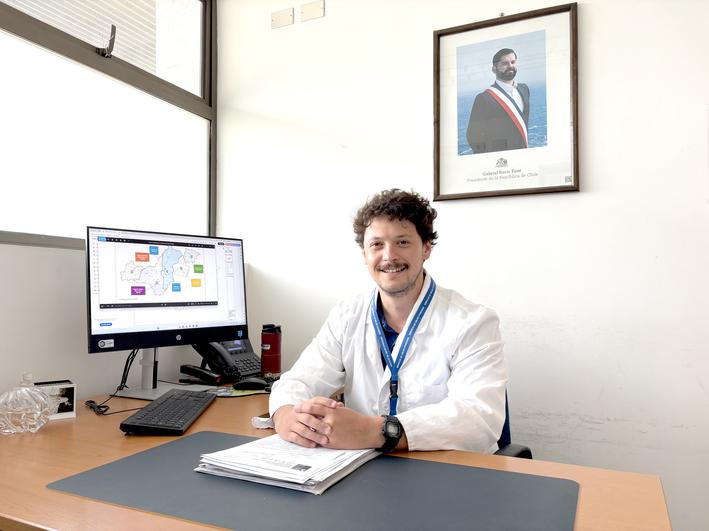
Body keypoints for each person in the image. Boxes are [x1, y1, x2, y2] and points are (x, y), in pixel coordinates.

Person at [269, 189, 507, 453]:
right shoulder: (346, 316)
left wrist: (376, 431)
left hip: (448, 467)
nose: (389, 256)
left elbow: (480, 419)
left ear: (426, 248)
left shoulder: (473, 322)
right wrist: (285, 415)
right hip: (364, 466)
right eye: (377, 244)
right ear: (364, 254)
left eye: (402, 242)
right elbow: (299, 381)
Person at [466, 48, 530, 154]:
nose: (510, 66)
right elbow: (473, 137)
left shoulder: (524, 89)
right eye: (505, 63)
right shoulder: (484, 98)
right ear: (494, 69)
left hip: (523, 154)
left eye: (513, 62)